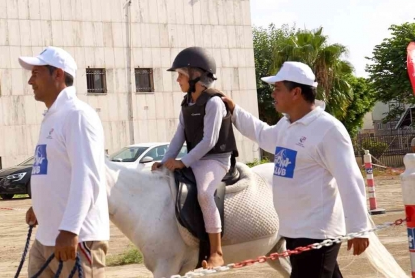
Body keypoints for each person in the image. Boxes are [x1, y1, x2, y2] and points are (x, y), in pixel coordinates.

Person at [221, 61, 370, 278]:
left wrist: (359, 228)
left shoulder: (328, 129)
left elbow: (350, 179)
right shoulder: (287, 125)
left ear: (296, 92)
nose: (273, 94)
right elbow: (263, 135)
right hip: (294, 231)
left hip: (317, 234)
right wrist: (234, 111)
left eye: (278, 88)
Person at [19, 46, 110, 277]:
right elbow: (55, 170)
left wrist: (69, 229)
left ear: (57, 74)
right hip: (46, 239)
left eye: (36, 73)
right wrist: (40, 205)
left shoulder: (77, 115)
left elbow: (87, 177)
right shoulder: (52, 117)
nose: (30, 81)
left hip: (76, 240)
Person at [151, 47, 237, 269]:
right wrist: (166, 160)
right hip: (197, 158)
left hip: (216, 159)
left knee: (205, 194)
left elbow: (209, 141)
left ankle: (216, 251)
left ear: (196, 76)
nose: (177, 80)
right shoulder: (186, 103)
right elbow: (178, 137)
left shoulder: (214, 103)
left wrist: (183, 162)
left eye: (180, 74)